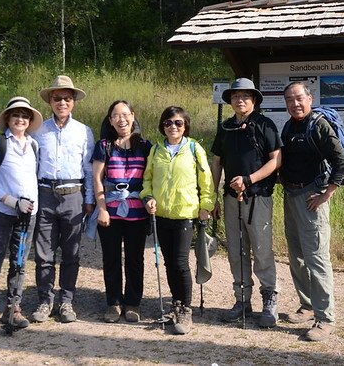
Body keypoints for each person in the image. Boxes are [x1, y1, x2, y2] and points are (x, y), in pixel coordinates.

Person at [279, 81, 344, 342]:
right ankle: (308, 305)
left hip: (311, 200)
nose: (294, 104)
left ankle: (325, 318)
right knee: (296, 256)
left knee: (317, 259)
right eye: (289, 100)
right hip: (291, 195)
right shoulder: (290, 125)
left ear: (309, 98)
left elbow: (340, 161)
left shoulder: (318, 124)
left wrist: (326, 194)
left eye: (298, 98)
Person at [210, 78, 282, 328]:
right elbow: (217, 162)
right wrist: (213, 197)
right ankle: (242, 301)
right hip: (231, 199)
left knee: (261, 250)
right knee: (236, 251)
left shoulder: (265, 125)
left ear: (254, 100)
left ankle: (269, 301)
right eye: (235, 96)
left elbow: (275, 161)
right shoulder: (226, 127)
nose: (240, 100)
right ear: (230, 100)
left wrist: (249, 179)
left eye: (245, 96)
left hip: (258, 197)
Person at [140, 106, 215, 335]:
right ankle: (175, 302)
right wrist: (148, 197)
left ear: (186, 126)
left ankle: (185, 308)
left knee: (180, 262)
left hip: (185, 214)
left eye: (178, 123)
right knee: (169, 261)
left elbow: (207, 180)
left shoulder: (194, 148)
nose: (173, 127)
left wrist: (206, 206)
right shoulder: (156, 150)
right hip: (162, 214)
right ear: (162, 125)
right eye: (168, 123)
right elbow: (147, 180)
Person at [0, 96, 43, 334]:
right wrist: (12, 201)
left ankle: (13, 308)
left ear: (30, 120)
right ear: (7, 118)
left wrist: (30, 204)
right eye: (16, 115)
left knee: (19, 263)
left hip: (27, 216)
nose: (20, 119)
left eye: (25, 116)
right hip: (2, 213)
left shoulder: (33, 145)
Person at [31, 75, 95, 324]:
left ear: (74, 102)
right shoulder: (38, 131)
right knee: (44, 254)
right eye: (57, 98)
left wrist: (89, 200)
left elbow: (88, 169)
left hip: (73, 196)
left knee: (72, 253)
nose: (62, 103)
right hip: (45, 194)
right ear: (50, 101)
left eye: (67, 98)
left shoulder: (83, 131)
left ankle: (66, 301)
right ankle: (45, 301)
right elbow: (31, 166)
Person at [88, 100, 152, 323]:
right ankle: (113, 303)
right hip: (111, 211)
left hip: (138, 213)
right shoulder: (103, 145)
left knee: (135, 259)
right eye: (116, 115)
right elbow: (97, 178)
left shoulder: (145, 146)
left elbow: (151, 177)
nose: (121, 119)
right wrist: (102, 209)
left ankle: (133, 303)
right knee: (111, 259)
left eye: (125, 114)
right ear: (110, 120)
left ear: (133, 116)